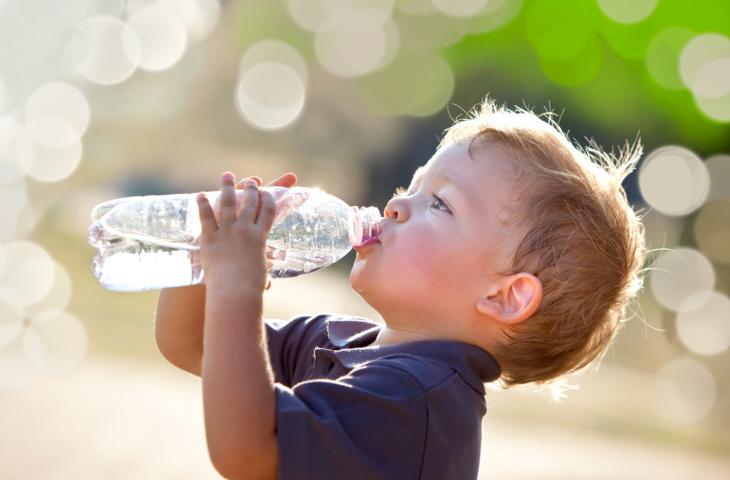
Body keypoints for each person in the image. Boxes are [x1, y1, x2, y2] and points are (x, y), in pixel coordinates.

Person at [154, 97, 648, 479]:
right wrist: (205, 259)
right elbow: (192, 341)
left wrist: (238, 287)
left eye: (439, 204)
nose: (394, 207)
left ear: (504, 295)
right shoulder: (343, 340)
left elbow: (246, 450)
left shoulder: (417, 401)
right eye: (410, 187)